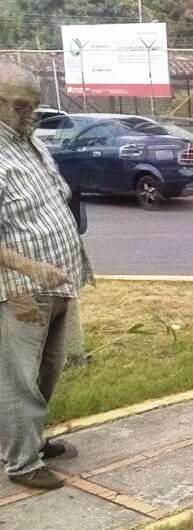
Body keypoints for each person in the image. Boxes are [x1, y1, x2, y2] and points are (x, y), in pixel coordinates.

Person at [0, 62, 93, 489]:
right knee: (19, 379)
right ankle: (21, 463)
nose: (28, 113)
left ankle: (29, 440)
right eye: (19, 106)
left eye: (32, 105)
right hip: (18, 291)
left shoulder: (29, 143)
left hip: (57, 283)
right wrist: (30, 266)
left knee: (46, 372)